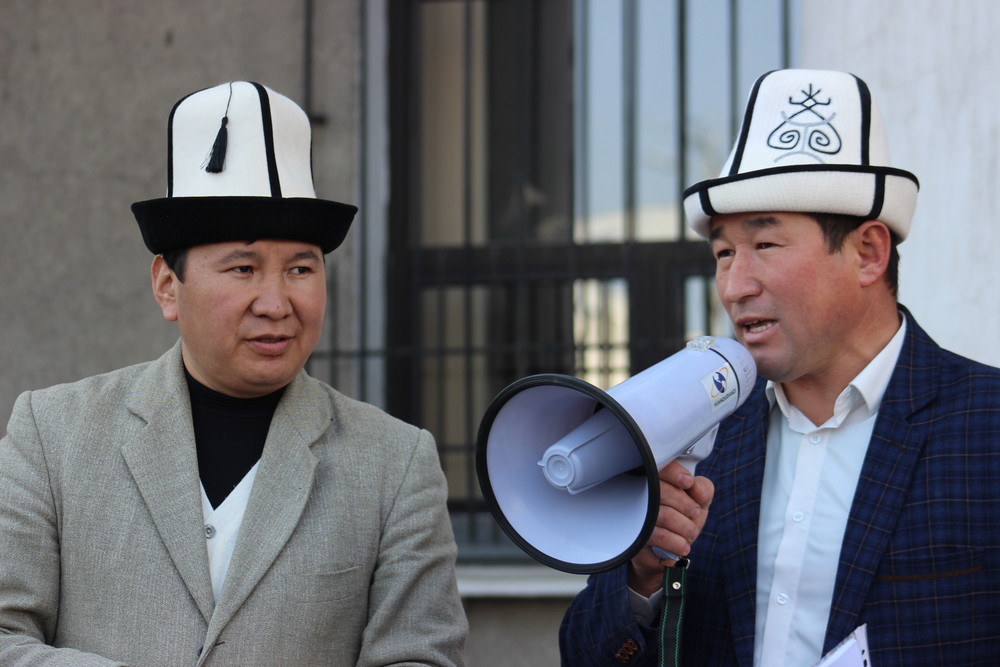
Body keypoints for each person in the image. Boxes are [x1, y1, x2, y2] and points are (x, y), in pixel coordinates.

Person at [0, 81, 468, 666]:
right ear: (167, 286)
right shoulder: (54, 435)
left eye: (301, 269)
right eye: (243, 268)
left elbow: (421, 654)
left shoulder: (395, 463)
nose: (276, 303)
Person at [560, 69, 1000, 665]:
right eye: (723, 253)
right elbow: (584, 653)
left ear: (868, 252)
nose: (734, 286)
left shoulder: (984, 425)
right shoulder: (698, 434)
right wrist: (641, 577)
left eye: (765, 246)